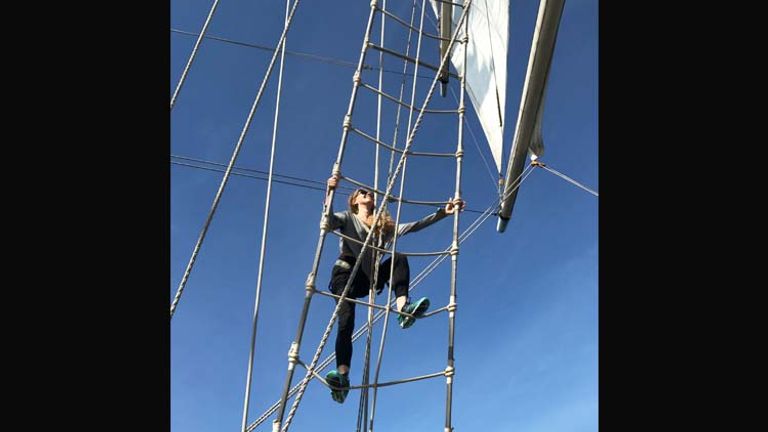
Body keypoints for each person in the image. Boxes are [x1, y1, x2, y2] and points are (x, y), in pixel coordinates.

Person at [323, 173, 465, 403]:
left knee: (398, 258)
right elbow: (328, 222)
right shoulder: (347, 217)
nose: (368, 193)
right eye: (362, 192)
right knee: (346, 320)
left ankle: (403, 309)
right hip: (345, 274)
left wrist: (442, 214)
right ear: (354, 201)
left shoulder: (383, 228)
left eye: (369, 192)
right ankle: (342, 377)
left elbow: (414, 227)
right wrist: (330, 191)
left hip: (368, 278)